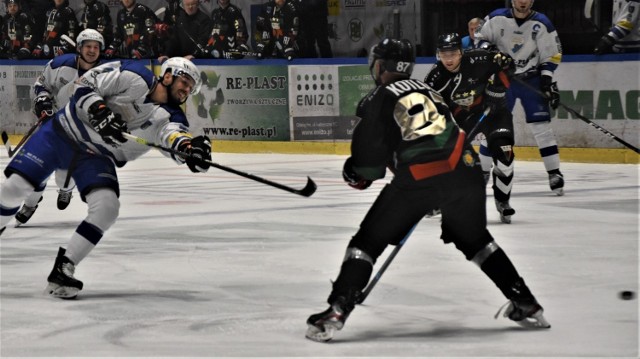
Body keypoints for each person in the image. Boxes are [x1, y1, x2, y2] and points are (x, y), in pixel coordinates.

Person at [305, 38, 550, 343]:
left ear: (379, 66)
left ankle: (337, 310)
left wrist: (354, 172)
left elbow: (368, 167)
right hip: (467, 171)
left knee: (367, 242)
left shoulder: (378, 98)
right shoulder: (432, 91)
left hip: (422, 178)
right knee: (476, 240)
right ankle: (525, 300)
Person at [0, 56, 211, 299]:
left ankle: (63, 268)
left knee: (107, 208)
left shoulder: (172, 117)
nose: (186, 90)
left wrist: (190, 151)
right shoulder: (134, 75)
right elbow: (85, 84)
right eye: (184, 81)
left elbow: (173, 138)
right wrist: (98, 110)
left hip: (95, 155)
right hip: (61, 134)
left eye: (190, 87)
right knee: (15, 189)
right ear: (167, 75)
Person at [14, 29, 105, 227]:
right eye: (88, 46)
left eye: (96, 47)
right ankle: (31, 203)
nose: (91, 51)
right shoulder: (59, 64)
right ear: (80, 47)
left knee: (65, 176)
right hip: (52, 125)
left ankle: (66, 189)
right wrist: (43, 100)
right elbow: (41, 84)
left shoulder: (105, 76)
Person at [425, 33, 517, 224]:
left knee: (505, 154)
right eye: (444, 54)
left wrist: (497, 88)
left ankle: (503, 201)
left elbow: (507, 66)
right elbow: (432, 109)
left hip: (494, 113)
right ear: (438, 55)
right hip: (464, 116)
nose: (449, 59)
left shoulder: (479, 58)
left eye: (453, 54)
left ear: (461, 52)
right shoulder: (435, 78)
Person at [475, 0, 564, 196]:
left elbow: (553, 55)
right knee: (492, 127)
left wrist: (547, 81)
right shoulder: (497, 17)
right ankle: (482, 172)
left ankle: (554, 173)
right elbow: (479, 37)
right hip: (501, 80)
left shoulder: (542, 23)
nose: (523, 1)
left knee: (542, 127)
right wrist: (489, 51)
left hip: (530, 80)